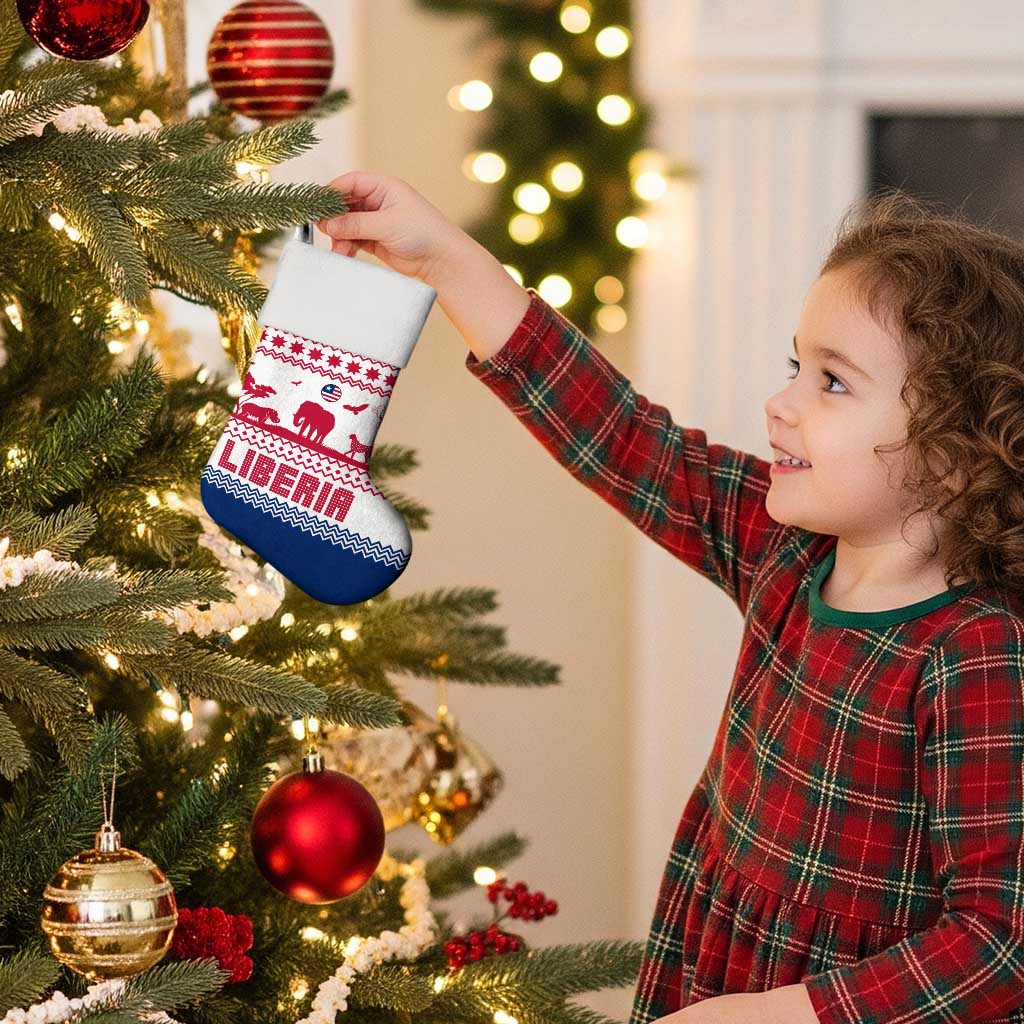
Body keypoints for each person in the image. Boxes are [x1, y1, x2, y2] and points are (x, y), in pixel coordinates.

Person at [317, 174, 1024, 1024]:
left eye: (832, 383)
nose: (781, 404)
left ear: (954, 454)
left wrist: (773, 1017)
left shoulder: (977, 653)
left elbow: (999, 942)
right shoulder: (788, 552)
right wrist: (448, 260)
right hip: (714, 967)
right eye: (796, 367)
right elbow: (623, 437)